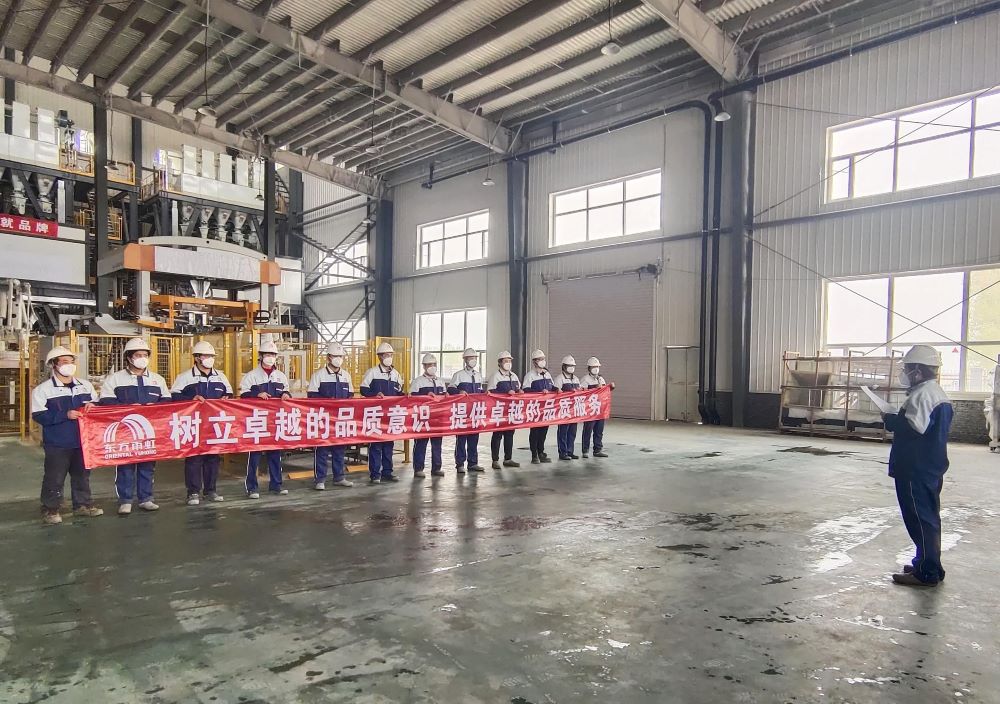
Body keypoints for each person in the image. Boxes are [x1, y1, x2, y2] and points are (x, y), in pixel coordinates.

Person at [882, 344, 953, 588]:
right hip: (929, 466)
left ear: (919, 371)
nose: (905, 373)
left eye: (908, 368)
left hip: (916, 469)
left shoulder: (923, 395)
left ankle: (926, 572)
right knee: (928, 518)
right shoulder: (935, 393)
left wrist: (890, 420)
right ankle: (927, 563)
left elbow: (913, 429)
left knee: (920, 519)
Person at [100, 337, 171, 515]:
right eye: (138, 355)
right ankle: (125, 500)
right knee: (125, 466)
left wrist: (154, 407)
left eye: (145, 355)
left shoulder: (157, 380)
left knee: (148, 465)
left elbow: (167, 402)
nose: (142, 358)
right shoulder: (115, 379)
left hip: (149, 430)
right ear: (129, 357)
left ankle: (146, 498)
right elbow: (106, 401)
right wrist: (128, 408)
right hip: (125, 431)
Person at [31, 346, 103, 525]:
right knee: (54, 477)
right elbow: (39, 415)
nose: (69, 365)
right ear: (53, 365)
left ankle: (82, 505)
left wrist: (94, 406)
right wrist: (65, 415)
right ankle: (50, 509)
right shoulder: (43, 390)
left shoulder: (85, 386)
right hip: (58, 443)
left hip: (83, 441)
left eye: (71, 361)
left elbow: (96, 404)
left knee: (82, 476)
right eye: (64, 362)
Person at [171, 341, 233, 505]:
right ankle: (193, 493)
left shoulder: (221, 376)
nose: (210, 359)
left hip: (214, 424)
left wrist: (226, 398)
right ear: (197, 358)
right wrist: (191, 399)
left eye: (212, 356)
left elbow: (229, 393)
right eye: (206, 356)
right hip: (194, 424)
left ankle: (210, 491)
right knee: (194, 459)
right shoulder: (185, 377)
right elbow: (174, 397)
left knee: (213, 458)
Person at [240, 339, 292, 498]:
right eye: (267, 354)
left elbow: (287, 391)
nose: (270, 357)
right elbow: (243, 395)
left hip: (275, 422)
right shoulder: (251, 376)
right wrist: (256, 394)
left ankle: (276, 485)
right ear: (261, 356)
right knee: (254, 456)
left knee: (275, 455)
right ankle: (252, 488)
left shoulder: (281, 376)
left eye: (273, 355)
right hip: (257, 422)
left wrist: (286, 394)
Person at [307, 342, 355, 491]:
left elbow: (350, 395)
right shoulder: (319, 375)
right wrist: (328, 402)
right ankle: (320, 479)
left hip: (340, 420)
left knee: (339, 448)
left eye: (340, 356)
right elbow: (312, 396)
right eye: (335, 356)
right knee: (322, 449)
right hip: (323, 419)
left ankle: (339, 477)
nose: (338, 359)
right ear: (328, 357)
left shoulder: (346, 376)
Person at [360, 341, 404, 484]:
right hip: (376, 415)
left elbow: (399, 391)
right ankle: (375, 474)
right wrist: (374, 394)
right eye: (386, 355)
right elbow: (363, 389)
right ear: (379, 357)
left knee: (389, 445)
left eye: (390, 355)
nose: (389, 357)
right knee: (376, 445)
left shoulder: (395, 374)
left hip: (390, 415)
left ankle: (387, 472)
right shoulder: (372, 372)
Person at [449, 347, 486, 474]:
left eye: (475, 358)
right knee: (461, 438)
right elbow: (450, 389)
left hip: (475, 411)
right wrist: (459, 391)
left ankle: (473, 463)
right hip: (463, 412)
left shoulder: (478, 375)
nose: (473, 360)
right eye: (470, 358)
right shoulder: (458, 375)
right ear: (465, 359)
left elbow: (480, 390)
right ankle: (460, 464)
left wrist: (485, 393)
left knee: (474, 438)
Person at [409, 353, 446, 478]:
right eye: (429, 365)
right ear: (424, 366)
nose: (432, 367)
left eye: (434, 364)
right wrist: (425, 395)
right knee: (421, 443)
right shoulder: (418, 381)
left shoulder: (440, 381)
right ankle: (418, 468)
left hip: (437, 418)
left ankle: (436, 467)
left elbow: (445, 397)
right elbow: (411, 398)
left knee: (437, 444)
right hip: (423, 418)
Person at [488, 350, 522, 470]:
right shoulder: (495, 376)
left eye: (509, 361)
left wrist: (519, 391)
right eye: (505, 361)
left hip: (511, 410)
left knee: (509, 434)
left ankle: (508, 458)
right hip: (499, 410)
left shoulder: (514, 376)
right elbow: (490, 392)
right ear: (500, 363)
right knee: (497, 435)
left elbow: (518, 389)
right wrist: (506, 392)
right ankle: (495, 460)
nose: (508, 363)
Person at [522, 349, 555, 464]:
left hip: (546, 408)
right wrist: (539, 392)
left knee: (543, 431)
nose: (542, 361)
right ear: (534, 361)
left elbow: (552, 386)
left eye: (543, 359)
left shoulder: (547, 374)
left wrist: (557, 389)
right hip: (535, 408)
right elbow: (525, 390)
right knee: (535, 432)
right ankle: (534, 454)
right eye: (539, 359)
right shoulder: (530, 376)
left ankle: (541, 452)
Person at [581, 357, 615, 458]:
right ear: (589, 368)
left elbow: (604, 392)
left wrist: (610, 388)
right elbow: (582, 393)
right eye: (593, 367)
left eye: (597, 367)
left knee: (599, 430)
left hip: (600, 409)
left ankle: (597, 449)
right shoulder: (585, 379)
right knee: (588, 430)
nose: (596, 369)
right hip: (590, 409)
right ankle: (585, 450)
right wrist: (594, 389)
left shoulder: (601, 379)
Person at [554, 355, 582, 460]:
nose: (571, 368)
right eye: (569, 365)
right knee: (563, 432)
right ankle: (563, 452)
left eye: (572, 366)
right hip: (564, 409)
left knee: (572, 432)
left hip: (574, 409)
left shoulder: (576, 379)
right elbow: (555, 393)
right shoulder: (559, 379)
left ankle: (570, 451)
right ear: (564, 366)